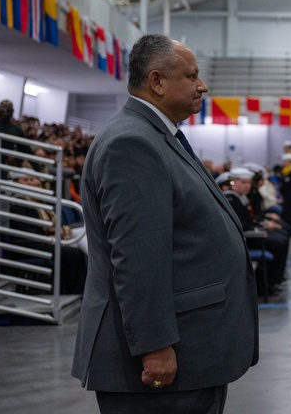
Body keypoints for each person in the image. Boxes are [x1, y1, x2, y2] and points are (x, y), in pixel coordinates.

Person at [71, 34, 258, 413]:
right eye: (191, 76)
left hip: (191, 351)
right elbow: (138, 258)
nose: (201, 85)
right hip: (161, 366)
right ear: (157, 82)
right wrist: (154, 347)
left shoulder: (155, 136)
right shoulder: (132, 144)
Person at [221, 167, 290, 295]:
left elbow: (250, 219)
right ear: (234, 182)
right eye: (243, 183)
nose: (247, 186)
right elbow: (240, 225)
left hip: (250, 234)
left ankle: (273, 280)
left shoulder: (241, 198)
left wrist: (262, 225)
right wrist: (260, 228)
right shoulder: (231, 199)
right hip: (244, 240)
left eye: (248, 183)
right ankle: (266, 285)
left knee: (282, 237)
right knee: (278, 242)